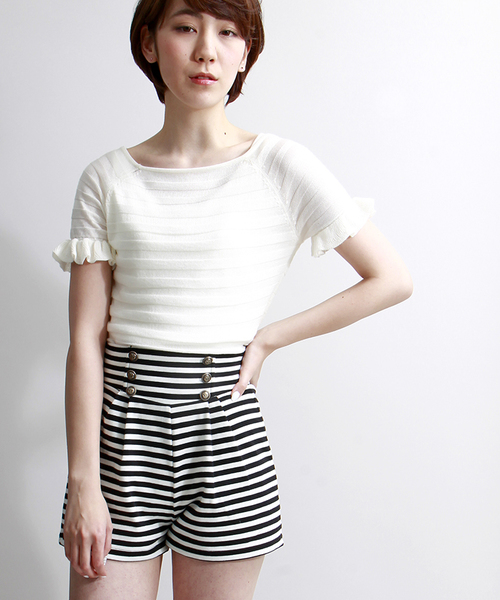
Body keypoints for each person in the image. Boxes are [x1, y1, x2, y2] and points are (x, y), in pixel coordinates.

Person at [52, 0, 413, 598]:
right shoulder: (107, 178)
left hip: (225, 434)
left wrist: (269, 339)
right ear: (149, 43)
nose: (206, 51)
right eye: (185, 27)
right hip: (121, 435)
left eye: (227, 32)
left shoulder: (280, 165)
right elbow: (85, 341)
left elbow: (391, 278)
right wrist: (83, 480)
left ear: (246, 52)